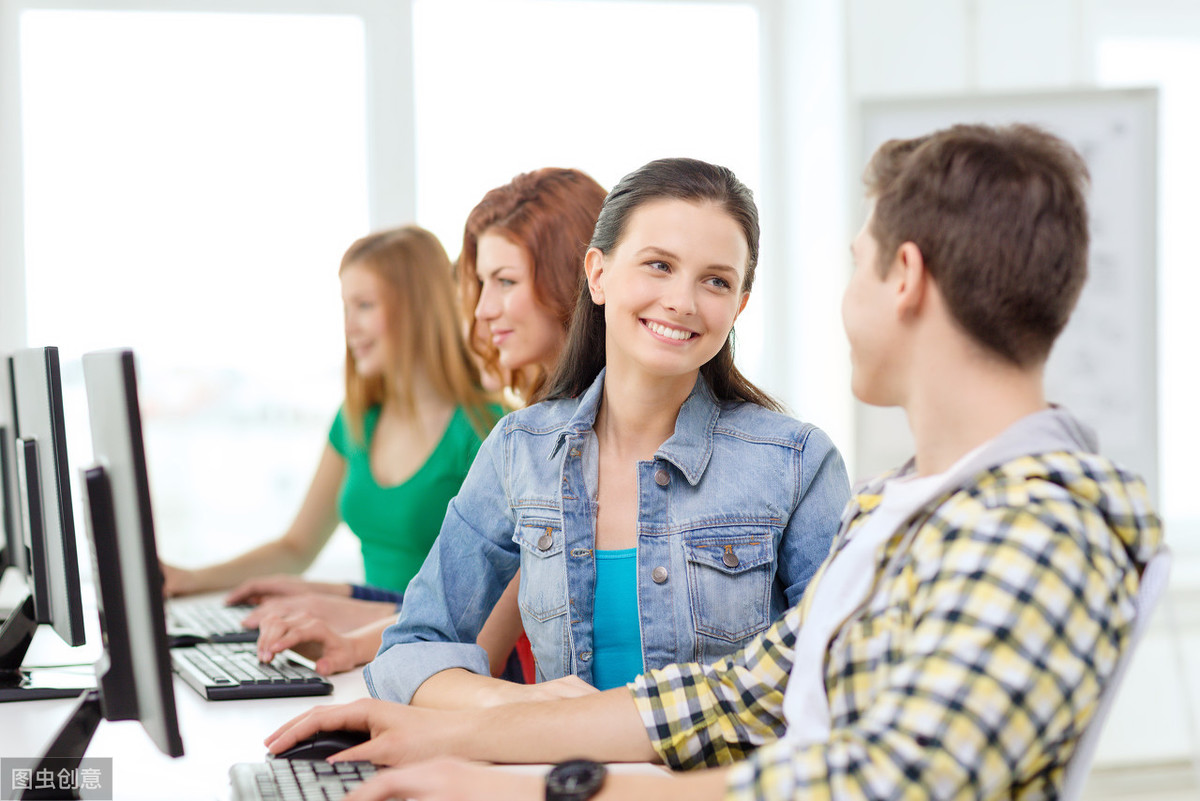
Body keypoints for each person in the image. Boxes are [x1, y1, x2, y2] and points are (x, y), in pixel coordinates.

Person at [265, 124, 1163, 800]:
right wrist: (447, 736)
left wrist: (540, 785)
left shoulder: (1034, 524)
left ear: (905, 277)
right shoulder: (913, 506)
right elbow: (736, 693)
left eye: (855, 263)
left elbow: (879, 780)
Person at [361, 157, 851, 711]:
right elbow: (410, 648)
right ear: (597, 274)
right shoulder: (519, 450)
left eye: (716, 281)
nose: (683, 302)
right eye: (659, 265)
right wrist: (518, 706)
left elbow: (842, 680)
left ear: (738, 305)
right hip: (555, 764)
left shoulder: (797, 462)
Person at [249, 168, 609, 676]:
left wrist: (349, 635)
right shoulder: (528, 432)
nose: (481, 311)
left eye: (505, 281)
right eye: (481, 284)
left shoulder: (513, 432)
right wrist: (336, 612)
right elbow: (453, 612)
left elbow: (482, 635)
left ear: (576, 277)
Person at [160, 225, 502, 672]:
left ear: (417, 309)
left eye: (364, 306)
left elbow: (485, 612)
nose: (349, 327)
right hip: (371, 648)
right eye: (346, 308)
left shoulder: (486, 430)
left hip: (430, 654)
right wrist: (189, 579)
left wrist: (337, 601)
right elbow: (296, 546)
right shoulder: (358, 419)